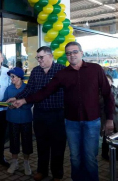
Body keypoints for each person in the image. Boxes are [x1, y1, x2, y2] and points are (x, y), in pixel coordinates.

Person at [13, 42, 115, 181]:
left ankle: (68, 176)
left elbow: (108, 95)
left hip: (90, 121)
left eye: (74, 52)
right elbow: (45, 91)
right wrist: (23, 99)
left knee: (90, 157)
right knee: (75, 157)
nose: (71, 55)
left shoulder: (95, 69)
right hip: (70, 121)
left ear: (81, 52)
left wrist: (109, 119)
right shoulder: (62, 73)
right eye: (68, 53)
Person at [7, 46, 66, 181]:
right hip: (39, 114)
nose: (39, 60)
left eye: (41, 57)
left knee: (58, 146)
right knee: (41, 144)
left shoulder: (61, 70)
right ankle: (42, 171)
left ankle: (57, 174)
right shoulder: (35, 71)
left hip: (57, 114)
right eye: (37, 57)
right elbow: (29, 89)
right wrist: (17, 98)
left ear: (50, 56)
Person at [3, 67, 33, 175]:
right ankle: (14, 163)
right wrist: (6, 105)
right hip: (12, 119)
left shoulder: (27, 88)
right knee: (14, 141)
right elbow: (4, 102)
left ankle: (26, 163)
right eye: (10, 76)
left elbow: (30, 103)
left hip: (26, 119)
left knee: (27, 142)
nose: (11, 79)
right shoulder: (9, 89)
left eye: (13, 76)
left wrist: (19, 105)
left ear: (20, 77)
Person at [100, 75, 118, 160]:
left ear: (111, 81)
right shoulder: (100, 92)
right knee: (106, 135)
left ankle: (116, 154)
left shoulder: (116, 90)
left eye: (108, 80)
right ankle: (104, 154)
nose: (107, 82)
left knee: (116, 135)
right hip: (105, 116)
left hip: (116, 116)